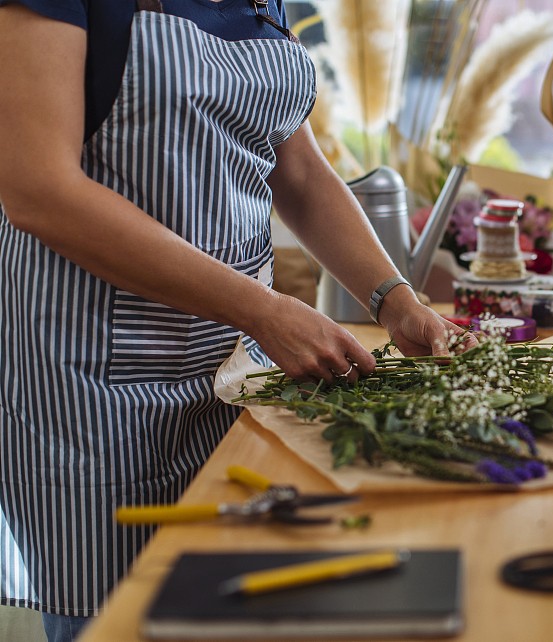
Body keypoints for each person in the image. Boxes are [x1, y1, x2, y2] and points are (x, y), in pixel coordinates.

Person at [0, 2, 471, 640]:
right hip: (97, 378)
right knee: (120, 617)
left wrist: (395, 299)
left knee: (232, 611)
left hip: (236, 369)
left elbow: (297, 169)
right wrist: (260, 307)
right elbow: (37, 188)